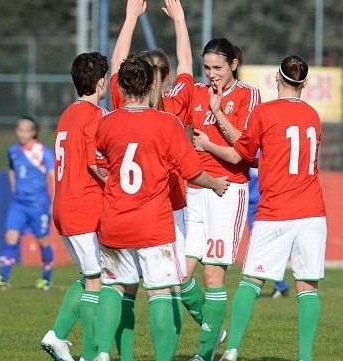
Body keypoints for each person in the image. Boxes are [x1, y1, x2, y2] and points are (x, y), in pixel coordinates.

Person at [93, 54, 229, 361]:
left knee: (115, 288)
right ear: (153, 83)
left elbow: (100, 167)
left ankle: (102, 354)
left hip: (114, 222)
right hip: (153, 225)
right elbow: (192, 172)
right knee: (161, 293)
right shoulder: (166, 123)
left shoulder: (107, 122)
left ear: (121, 86)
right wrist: (216, 184)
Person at [194, 55, 326, 361]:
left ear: (277, 79)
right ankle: (305, 357)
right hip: (312, 212)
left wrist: (211, 134)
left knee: (251, 280)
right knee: (308, 287)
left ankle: (232, 349)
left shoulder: (264, 112)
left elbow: (241, 152)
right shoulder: (313, 116)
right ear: (303, 83)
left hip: (276, 210)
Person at [109, 0, 196, 358]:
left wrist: (130, 17)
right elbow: (188, 65)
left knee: (123, 289)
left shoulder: (120, 106)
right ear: (168, 76)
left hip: (122, 207)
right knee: (167, 290)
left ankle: (120, 355)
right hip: (166, 210)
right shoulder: (174, 108)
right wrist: (179, 19)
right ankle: (204, 332)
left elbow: (115, 65)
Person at [180, 38, 260, 361]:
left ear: (233, 65)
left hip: (227, 190)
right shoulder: (197, 92)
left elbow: (243, 150)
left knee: (213, 274)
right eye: (207, 67)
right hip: (195, 189)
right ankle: (214, 331)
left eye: (218, 67)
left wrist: (215, 119)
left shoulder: (247, 95)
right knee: (178, 275)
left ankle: (203, 354)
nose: (211, 74)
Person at [41, 51, 109, 361]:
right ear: (101, 83)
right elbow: (97, 164)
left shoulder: (67, 113)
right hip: (83, 206)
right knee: (97, 280)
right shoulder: (95, 116)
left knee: (88, 275)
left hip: (64, 204)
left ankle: (56, 336)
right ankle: (91, 353)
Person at [0, 116, 55, 291]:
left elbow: (52, 176)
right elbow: (12, 169)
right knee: (10, 236)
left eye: (26, 130)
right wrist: (14, 189)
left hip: (38, 204)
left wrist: (53, 201)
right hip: (18, 203)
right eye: (20, 129)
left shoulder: (42, 151)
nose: (22, 133)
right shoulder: (13, 151)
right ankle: (2, 278)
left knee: (42, 241)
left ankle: (47, 277)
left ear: (33, 132)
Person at [248, 166, 290, 299]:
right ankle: (280, 284)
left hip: (263, 202)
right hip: (253, 202)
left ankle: (279, 284)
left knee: (261, 246)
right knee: (260, 246)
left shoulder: (264, 149)